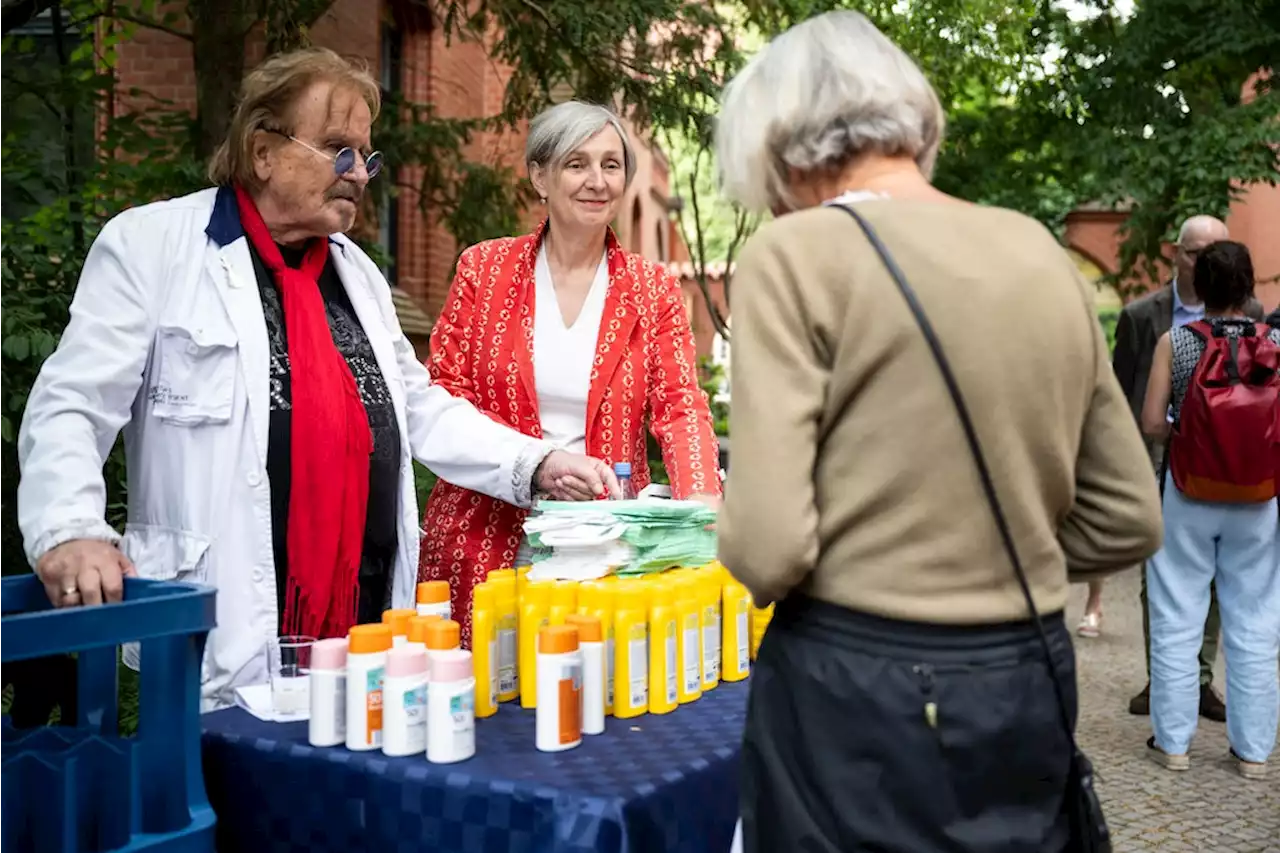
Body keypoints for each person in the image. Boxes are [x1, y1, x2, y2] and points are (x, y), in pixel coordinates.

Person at [16, 48, 617, 711]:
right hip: (221, 646)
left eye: (366, 155)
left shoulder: (356, 275)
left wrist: (535, 462)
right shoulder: (153, 248)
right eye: (338, 150)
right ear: (264, 149)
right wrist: (69, 527)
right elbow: (73, 401)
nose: (359, 173)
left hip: (362, 644)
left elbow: (417, 407)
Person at [713, 11, 1163, 852]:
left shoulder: (795, 254)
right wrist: (987, 555)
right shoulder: (1037, 252)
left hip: (857, 689)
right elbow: (1129, 517)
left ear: (781, 142)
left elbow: (767, 549)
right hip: (1023, 672)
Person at [419, 101, 722, 644]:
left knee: (594, 704)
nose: (597, 181)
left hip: (601, 548)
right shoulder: (483, 269)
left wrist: (701, 504)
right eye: (577, 164)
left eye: (611, 165)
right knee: (486, 707)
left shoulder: (653, 289)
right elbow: (443, 396)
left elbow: (680, 406)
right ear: (540, 175)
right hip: (484, 539)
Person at [1139, 240, 1280, 780]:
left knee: (1177, 617)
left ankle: (1173, 744)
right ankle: (1253, 753)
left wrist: (1192, 433)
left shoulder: (1175, 341)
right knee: (1256, 620)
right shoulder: (1276, 342)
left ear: (1201, 287)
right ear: (1249, 289)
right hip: (1258, 497)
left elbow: (1153, 423)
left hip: (1189, 490)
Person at [1106, 214, 1251, 721]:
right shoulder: (1143, 316)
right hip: (1156, 460)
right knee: (1158, 577)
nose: (1204, 260)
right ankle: (1161, 678)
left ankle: (1202, 677)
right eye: (1194, 252)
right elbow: (1121, 400)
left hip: (1223, 465)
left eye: (1215, 250)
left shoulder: (1248, 313)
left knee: (1213, 576)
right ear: (1176, 254)